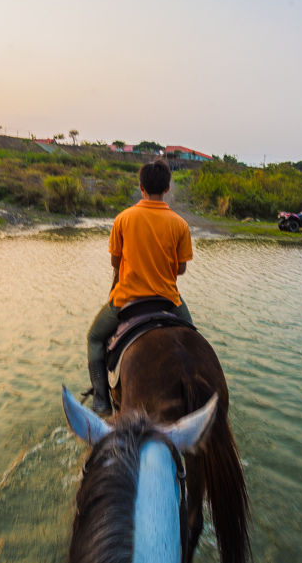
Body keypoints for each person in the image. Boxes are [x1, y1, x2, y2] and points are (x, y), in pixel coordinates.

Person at [85, 159, 193, 415]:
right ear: (167, 188)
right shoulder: (180, 224)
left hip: (126, 299)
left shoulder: (123, 219)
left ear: (141, 186)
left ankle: (101, 401)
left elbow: (115, 260)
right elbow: (180, 270)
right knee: (195, 339)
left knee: (94, 338)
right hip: (168, 300)